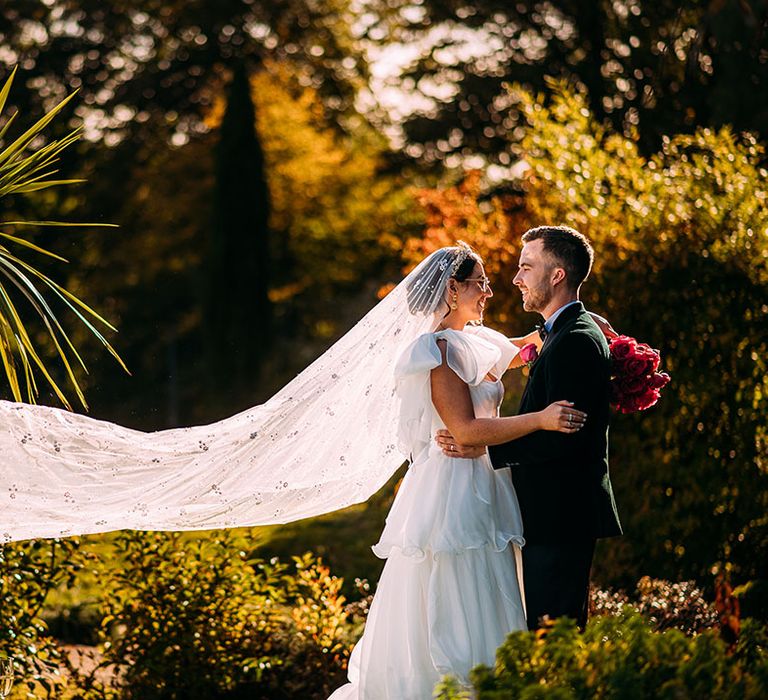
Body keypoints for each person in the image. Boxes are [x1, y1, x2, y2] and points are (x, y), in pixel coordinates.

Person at [329, 242, 587, 699]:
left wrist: (598, 330)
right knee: (457, 591)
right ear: (452, 289)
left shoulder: (481, 340)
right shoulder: (436, 352)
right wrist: (541, 419)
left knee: (495, 587)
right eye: (479, 283)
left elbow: (536, 344)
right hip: (452, 493)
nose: (489, 291)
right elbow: (465, 431)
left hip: (486, 481)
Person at [437, 226, 623, 632]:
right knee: (545, 631)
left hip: (561, 512)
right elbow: (523, 354)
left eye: (526, 267)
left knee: (552, 637)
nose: (515, 279)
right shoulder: (562, 331)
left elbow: (563, 436)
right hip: (549, 512)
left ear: (557, 276)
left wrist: (481, 449)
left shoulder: (574, 338)